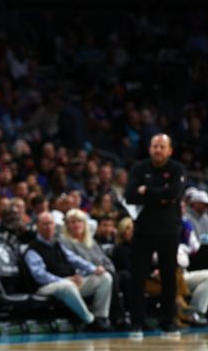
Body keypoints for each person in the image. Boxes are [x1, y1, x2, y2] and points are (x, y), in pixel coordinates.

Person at [125, 134, 186, 337]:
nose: (158, 150)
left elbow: (173, 194)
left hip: (169, 230)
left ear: (169, 150)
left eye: (162, 146)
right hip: (143, 230)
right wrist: (160, 194)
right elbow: (130, 195)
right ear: (149, 148)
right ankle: (137, 322)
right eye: (154, 146)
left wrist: (147, 190)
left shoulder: (177, 169)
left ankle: (168, 321)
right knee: (138, 277)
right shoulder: (139, 168)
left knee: (169, 276)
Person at [24, 212, 113, 330]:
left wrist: (93, 269)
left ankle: (101, 317)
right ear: (37, 226)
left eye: (50, 223)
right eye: (44, 224)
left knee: (105, 278)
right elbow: (39, 276)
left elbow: (74, 259)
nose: (48, 227)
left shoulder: (57, 244)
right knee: (67, 286)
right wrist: (65, 279)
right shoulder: (32, 249)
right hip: (45, 287)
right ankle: (90, 320)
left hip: (68, 282)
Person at [60, 208, 129, 330]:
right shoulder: (64, 242)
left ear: (84, 224)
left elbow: (106, 260)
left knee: (119, 276)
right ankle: (114, 317)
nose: (76, 225)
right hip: (80, 278)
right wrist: (94, 270)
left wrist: (104, 268)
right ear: (67, 225)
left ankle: (122, 316)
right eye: (72, 222)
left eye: (79, 221)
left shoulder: (90, 242)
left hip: (97, 275)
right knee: (108, 277)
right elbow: (71, 263)